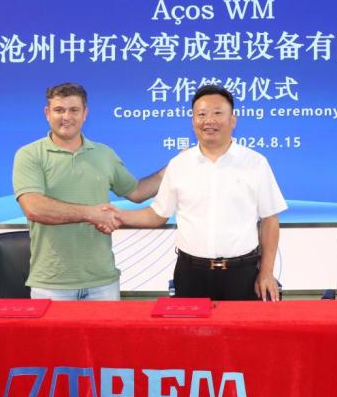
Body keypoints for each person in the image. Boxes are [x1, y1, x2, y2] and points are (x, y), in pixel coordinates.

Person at [116, 85, 287, 301]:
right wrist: (116, 216)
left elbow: (270, 219)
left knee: (241, 324)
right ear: (193, 121)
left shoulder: (255, 163)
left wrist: (266, 272)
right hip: (191, 274)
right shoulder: (179, 164)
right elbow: (157, 215)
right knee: (188, 325)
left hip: (242, 273)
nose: (209, 121)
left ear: (233, 120)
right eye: (202, 114)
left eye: (218, 113)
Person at [12, 82, 164, 301]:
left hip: (103, 283)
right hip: (52, 284)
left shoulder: (104, 154)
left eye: (74, 110)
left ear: (85, 114)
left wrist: (173, 168)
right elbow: (34, 208)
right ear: (47, 113)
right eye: (59, 110)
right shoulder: (29, 154)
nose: (66, 117)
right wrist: (92, 213)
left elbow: (137, 192)